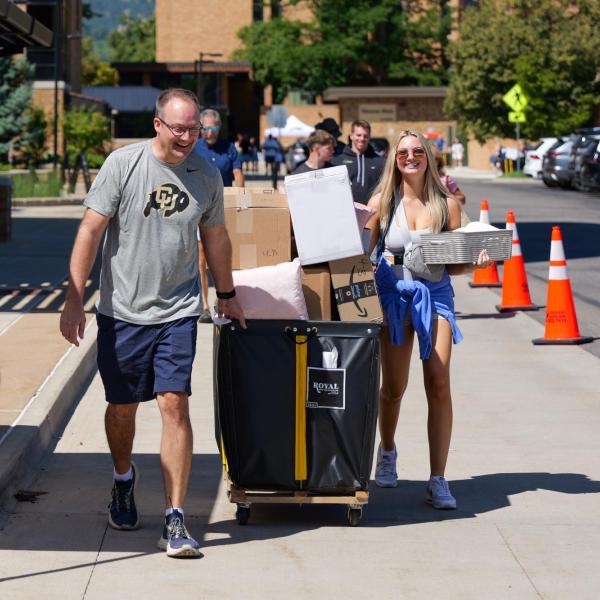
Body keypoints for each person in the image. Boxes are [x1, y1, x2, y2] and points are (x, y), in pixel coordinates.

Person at [59, 88, 246, 558]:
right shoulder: (123, 166)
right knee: (122, 408)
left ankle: (175, 517)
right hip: (122, 311)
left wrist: (226, 295)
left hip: (178, 309)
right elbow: (90, 229)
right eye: (179, 128)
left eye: (195, 129)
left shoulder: (206, 173)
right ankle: (124, 479)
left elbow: (216, 237)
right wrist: (74, 296)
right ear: (158, 125)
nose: (187, 137)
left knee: (173, 403)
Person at [366, 129, 490, 509]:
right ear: (395, 159)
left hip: (435, 296)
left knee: (438, 382)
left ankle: (438, 478)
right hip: (395, 297)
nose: (411, 157)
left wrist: (473, 260)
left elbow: (453, 265)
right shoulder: (381, 203)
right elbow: (360, 255)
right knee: (394, 387)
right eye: (403, 152)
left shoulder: (446, 206)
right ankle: (387, 451)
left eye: (418, 150)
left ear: (428, 157)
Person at [194, 109, 244, 323]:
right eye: (205, 128)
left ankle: (225, 298)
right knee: (201, 257)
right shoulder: (193, 148)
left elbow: (238, 174)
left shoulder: (229, 148)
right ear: (200, 128)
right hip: (198, 208)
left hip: (222, 209)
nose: (209, 132)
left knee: (223, 255)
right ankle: (204, 305)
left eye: (213, 128)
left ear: (219, 128)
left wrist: (239, 199)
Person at [332, 119, 385, 205]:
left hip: (371, 212)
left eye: (365, 136)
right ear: (351, 136)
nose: (362, 138)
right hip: (346, 211)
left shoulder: (380, 161)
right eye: (358, 135)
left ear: (369, 137)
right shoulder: (337, 161)